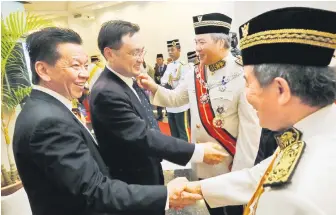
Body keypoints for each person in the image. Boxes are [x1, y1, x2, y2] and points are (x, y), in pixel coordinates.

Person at [184, 7, 336, 215]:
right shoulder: (330, 130)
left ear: (281, 90)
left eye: (248, 83)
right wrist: (197, 188)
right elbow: (263, 174)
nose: (247, 95)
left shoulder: (287, 197)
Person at [12, 27, 203, 215]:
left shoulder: (48, 109)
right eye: (75, 66)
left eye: (85, 65)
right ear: (43, 70)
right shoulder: (47, 122)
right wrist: (166, 194)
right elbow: (93, 191)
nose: (85, 74)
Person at [89, 20, 228, 215]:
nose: (140, 59)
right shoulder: (107, 92)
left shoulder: (126, 80)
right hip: (133, 184)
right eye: (134, 53)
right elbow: (142, 135)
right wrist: (197, 151)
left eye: (142, 51)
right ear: (109, 53)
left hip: (147, 174)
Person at [139, 12, 261, 215]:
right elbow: (176, 99)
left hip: (230, 167)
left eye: (201, 42)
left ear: (221, 43)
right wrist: (153, 87)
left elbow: (251, 132)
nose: (197, 48)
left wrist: (239, 175)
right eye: (196, 42)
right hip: (204, 165)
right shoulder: (195, 72)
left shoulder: (241, 74)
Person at [160, 39, 191, 141]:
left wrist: (171, 90)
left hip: (180, 104)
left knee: (182, 131)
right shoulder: (169, 66)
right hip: (170, 104)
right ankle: (177, 153)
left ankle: (186, 154)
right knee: (173, 131)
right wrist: (165, 86)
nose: (170, 52)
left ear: (179, 50)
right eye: (168, 50)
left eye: (172, 50)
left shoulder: (184, 65)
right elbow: (163, 80)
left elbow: (183, 84)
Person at [154, 54, 167, 120]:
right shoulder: (156, 68)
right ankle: (160, 115)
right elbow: (155, 76)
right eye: (157, 59)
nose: (158, 61)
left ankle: (168, 113)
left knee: (167, 100)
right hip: (159, 86)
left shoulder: (166, 67)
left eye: (160, 59)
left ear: (163, 60)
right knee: (159, 101)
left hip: (166, 87)